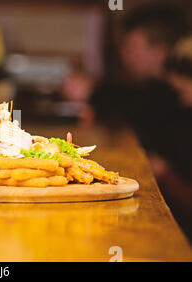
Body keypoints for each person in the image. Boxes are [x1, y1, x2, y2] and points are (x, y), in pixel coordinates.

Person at [63, 3, 191, 238]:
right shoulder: (161, 93)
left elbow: (139, 107)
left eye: (132, 49)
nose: (125, 56)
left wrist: (164, 173)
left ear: (160, 52)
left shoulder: (170, 96)